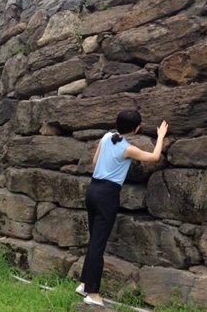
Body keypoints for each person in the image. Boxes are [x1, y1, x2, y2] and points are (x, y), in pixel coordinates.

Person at [76, 110, 168, 307]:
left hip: (93, 190)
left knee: (94, 240)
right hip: (107, 195)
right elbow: (153, 156)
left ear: (115, 123)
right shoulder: (128, 148)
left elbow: (94, 162)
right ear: (137, 129)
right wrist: (160, 136)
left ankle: (84, 283)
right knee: (98, 244)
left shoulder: (106, 136)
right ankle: (93, 293)